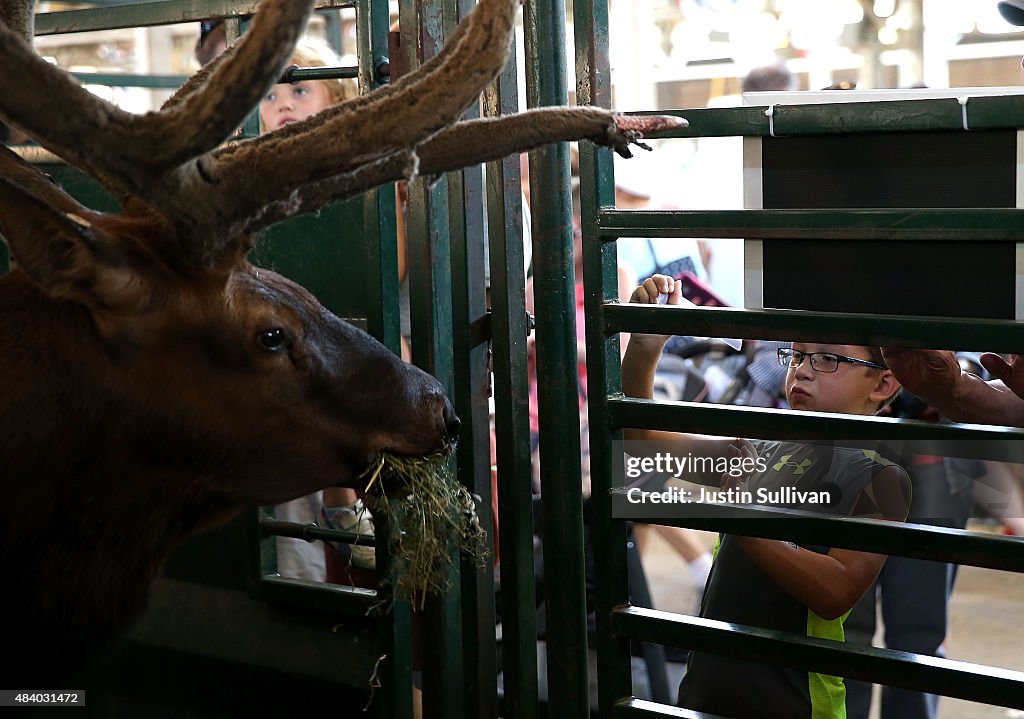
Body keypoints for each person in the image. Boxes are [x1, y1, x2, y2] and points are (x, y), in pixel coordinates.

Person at [622, 274, 910, 719]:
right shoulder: (759, 448)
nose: (804, 369)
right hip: (710, 687)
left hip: (794, 701)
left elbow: (837, 591)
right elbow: (647, 444)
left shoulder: (881, 475)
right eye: (797, 355)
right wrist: (644, 351)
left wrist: (745, 522)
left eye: (829, 359)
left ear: (883, 385)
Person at [255, 43, 375, 577]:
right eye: (268, 95)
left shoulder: (359, 181)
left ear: (339, 100)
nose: (281, 105)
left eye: (300, 90)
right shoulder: (256, 185)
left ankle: (344, 508)